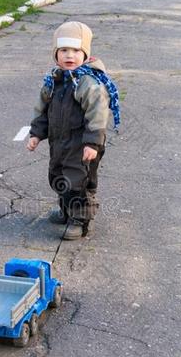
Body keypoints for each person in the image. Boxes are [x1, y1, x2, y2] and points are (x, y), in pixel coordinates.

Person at [26, 21, 120, 240]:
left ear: (85, 54)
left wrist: (92, 143)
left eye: (76, 50)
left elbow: (97, 115)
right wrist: (36, 134)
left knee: (78, 182)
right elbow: (42, 109)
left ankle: (80, 221)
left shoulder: (88, 83)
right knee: (58, 176)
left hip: (82, 145)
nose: (70, 55)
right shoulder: (54, 80)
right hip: (59, 143)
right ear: (56, 54)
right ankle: (66, 211)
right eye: (64, 50)